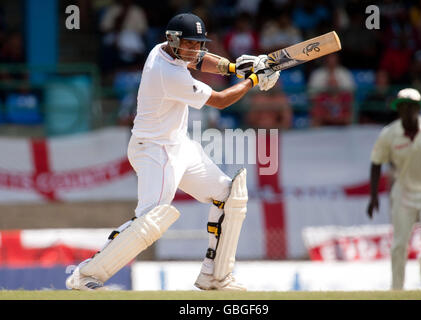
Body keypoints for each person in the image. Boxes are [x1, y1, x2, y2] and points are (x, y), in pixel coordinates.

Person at [66, 13, 280, 291]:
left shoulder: (165, 50)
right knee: (151, 219)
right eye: (190, 44)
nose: (195, 50)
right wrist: (252, 79)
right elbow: (222, 100)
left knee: (230, 195)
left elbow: (201, 59)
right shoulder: (168, 72)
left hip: (178, 145)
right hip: (155, 150)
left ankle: (215, 276)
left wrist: (232, 67)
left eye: (198, 43)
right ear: (173, 40)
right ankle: (83, 276)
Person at [367, 88, 421, 290]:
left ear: (419, 108)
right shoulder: (389, 134)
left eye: (413, 106)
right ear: (399, 108)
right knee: (399, 245)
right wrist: (373, 196)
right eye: (404, 106)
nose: (409, 110)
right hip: (403, 193)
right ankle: (397, 289)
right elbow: (376, 163)